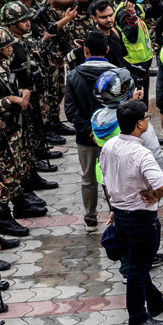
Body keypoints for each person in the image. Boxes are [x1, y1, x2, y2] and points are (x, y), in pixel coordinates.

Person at [100, 100, 163, 325]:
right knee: (137, 269)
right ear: (139, 124)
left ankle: (155, 301)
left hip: (121, 214)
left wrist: (114, 206)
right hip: (141, 219)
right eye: (146, 117)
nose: (147, 120)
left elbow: (105, 181)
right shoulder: (141, 153)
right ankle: (137, 317)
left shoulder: (109, 146)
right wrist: (156, 195)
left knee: (137, 263)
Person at [65, 31, 117, 232]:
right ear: (107, 50)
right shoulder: (117, 74)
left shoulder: (73, 75)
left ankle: (90, 218)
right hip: (114, 136)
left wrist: (89, 131)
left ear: (85, 50)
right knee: (114, 174)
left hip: (85, 138)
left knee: (88, 177)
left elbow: (70, 110)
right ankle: (118, 212)